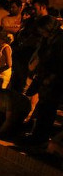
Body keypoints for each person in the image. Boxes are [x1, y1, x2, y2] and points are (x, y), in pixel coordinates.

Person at [25, 16, 63, 146]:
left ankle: (41, 137)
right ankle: (37, 135)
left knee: (48, 108)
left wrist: (50, 77)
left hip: (54, 79)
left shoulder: (59, 40)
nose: (41, 33)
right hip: (45, 76)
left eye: (42, 30)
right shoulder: (48, 40)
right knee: (42, 106)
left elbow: (59, 62)